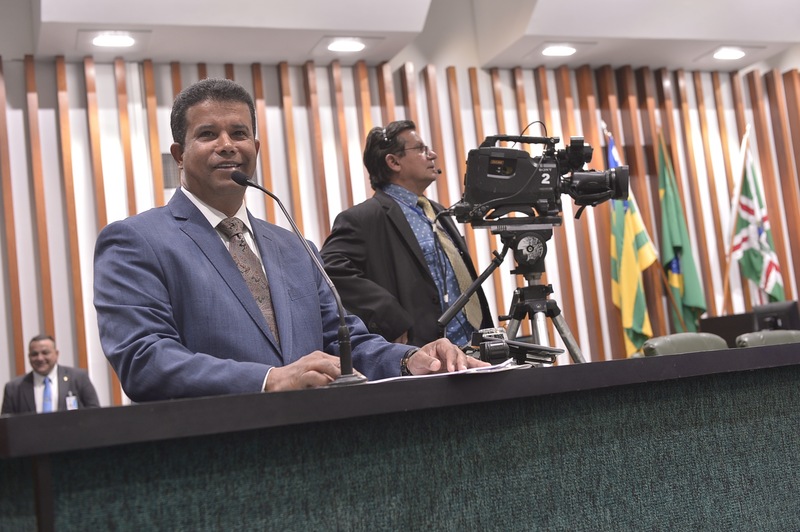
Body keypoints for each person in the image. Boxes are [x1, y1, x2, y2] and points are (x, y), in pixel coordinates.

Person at [93, 78, 487, 403]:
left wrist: (411, 359)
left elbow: (343, 340)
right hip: (211, 456)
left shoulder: (295, 246)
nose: (227, 144)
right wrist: (268, 380)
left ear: (255, 149)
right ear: (179, 154)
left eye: (239, 133)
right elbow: (144, 359)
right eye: (208, 134)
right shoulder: (135, 241)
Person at [320, 120, 493, 347]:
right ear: (393, 162)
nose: (432, 154)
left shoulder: (438, 211)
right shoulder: (363, 218)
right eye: (421, 149)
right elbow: (330, 270)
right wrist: (386, 313)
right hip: (421, 351)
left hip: (473, 345)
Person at [1, 334, 100, 414]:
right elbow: (6, 426)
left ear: (56, 354)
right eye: (34, 354)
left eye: (45, 353)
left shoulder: (78, 378)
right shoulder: (14, 388)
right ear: (29, 356)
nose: (40, 358)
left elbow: (94, 413)